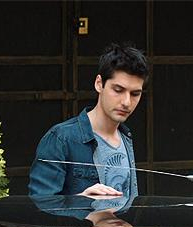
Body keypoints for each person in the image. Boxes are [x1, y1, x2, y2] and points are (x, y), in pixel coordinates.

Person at [29, 42, 148, 197]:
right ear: (99, 84)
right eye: (118, 90)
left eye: (135, 94)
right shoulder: (60, 139)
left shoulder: (125, 137)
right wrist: (81, 201)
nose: (126, 102)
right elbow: (39, 205)